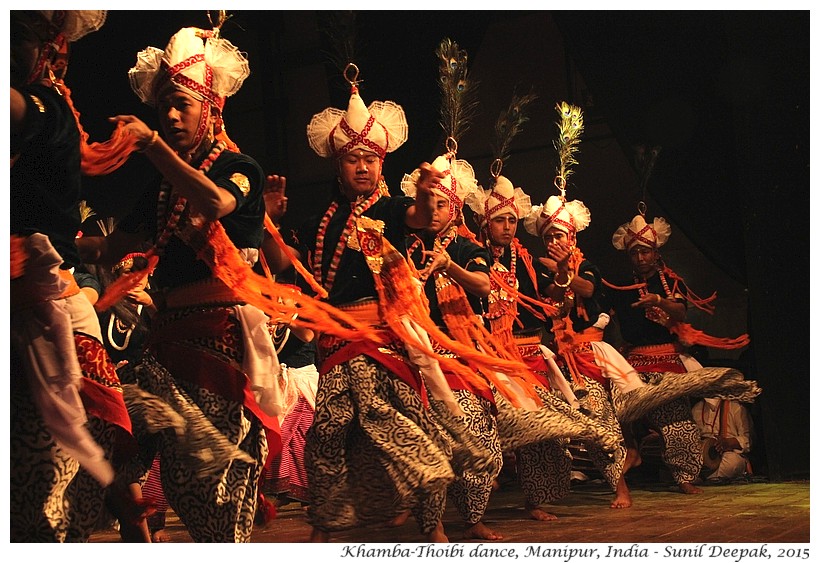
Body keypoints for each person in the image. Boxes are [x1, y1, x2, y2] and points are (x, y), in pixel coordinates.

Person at [77, 22, 277, 542]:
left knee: (205, 482)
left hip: (218, 341)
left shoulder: (241, 167)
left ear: (210, 108)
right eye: (163, 104)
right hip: (163, 342)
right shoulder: (161, 184)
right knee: (111, 436)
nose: (168, 114)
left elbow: (214, 202)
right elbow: (107, 248)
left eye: (181, 104)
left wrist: (150, 148)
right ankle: (135, 535)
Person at [264, 63, 457, 542]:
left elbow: (416, 215)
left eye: (371, 159)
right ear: (338, 164)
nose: (364, 167)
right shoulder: (316, 221)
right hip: (335, 344)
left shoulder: (391, 210)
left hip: (384, 340)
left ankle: (431, 523)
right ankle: (328, 524)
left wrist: (426, 195)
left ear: (382, 164)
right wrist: (263, 222)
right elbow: (284, 264)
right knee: (328, 432)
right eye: (354, 159)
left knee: (399, 418)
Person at [10, 9, 151, 542]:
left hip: (52, 298)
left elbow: (85, 242)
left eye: (19, 37)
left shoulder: (48, 110)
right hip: (48, 291)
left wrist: (121, 261)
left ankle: (130, 516)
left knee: (88, 430)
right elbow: (91, 237)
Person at [605, 212, 758, 492]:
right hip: (633, 362)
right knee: (616, 410)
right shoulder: (620, 287)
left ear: (655, 252)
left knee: (677, 422)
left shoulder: (669, 283)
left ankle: (685, 476)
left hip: (666, 362)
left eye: (646, 252)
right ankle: (629, 453)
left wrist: (659, 301)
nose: (641, 258)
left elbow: (680, 311)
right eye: (635, 252)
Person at [402, 152, 504, 540]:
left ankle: (473, 516)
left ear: (455, 208)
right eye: (432, 202)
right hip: (416, 351)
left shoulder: (466, 248)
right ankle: (433, 522)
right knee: (429, 441)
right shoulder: (407, 244)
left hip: (460, 356)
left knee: (479, 439)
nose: (435, 211)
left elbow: (483, 285)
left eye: (443, 204)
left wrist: (449, 267)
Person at [691, 398, 754, 482]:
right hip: (701, 459)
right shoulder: (697, 408)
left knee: (733, 462)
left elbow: (748, 440)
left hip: (727, 455)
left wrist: (728, 443)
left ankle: (706, 480)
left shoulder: (735, 407)